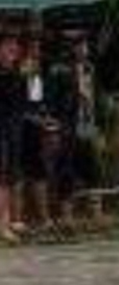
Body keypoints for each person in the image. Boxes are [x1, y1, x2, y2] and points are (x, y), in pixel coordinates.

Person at [47, 31, 103, 226]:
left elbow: (94, 97)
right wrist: (53, 128)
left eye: (85, 44)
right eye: (79, 44)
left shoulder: (89, 68)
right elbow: (52, 102)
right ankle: (67, 217)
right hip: (67, 126)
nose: (83, 48)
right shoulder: (59, 70)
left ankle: (96, 215)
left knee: (93, 170)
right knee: (66, 171)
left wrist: (97, 124)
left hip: (86, 124)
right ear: (71, 47)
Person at [17, 31, 55, 232]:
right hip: (19, 128)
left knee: (38, 172)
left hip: (35, 128)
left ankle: (42, 217)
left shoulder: (37, 74)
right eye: (33, 47)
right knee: (19, 174)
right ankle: (18, 218)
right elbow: (18, 106)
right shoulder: (17, 71)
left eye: (38, 47)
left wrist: (45, 117)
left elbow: (37, 103)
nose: (37, 51)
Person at [0, 30, 25, 242]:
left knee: (8, 177)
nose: (13, 49)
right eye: (8, 45)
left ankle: (6, 222)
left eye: (15, 45)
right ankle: (3, 224)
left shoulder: (17, 74)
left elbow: (25, 103)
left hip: (12, 132)